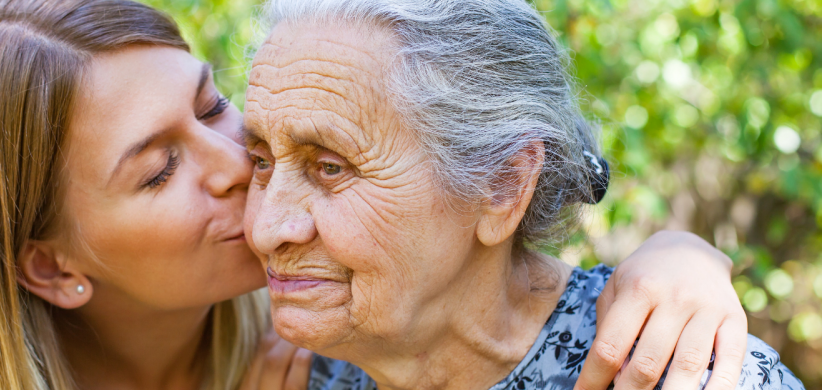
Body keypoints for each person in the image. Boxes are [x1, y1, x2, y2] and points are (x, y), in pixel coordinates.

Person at [0, 0, 750, 389]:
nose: (240, 168)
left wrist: (682, 259)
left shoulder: (323, 326)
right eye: (156, 171)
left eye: (215, 107)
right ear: (51, 266)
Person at [241, 0, 803, 389]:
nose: (266, 228)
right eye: (262, 161)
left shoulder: (679, 369)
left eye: (332, 168)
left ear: (502, 186)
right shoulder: (297, 368)